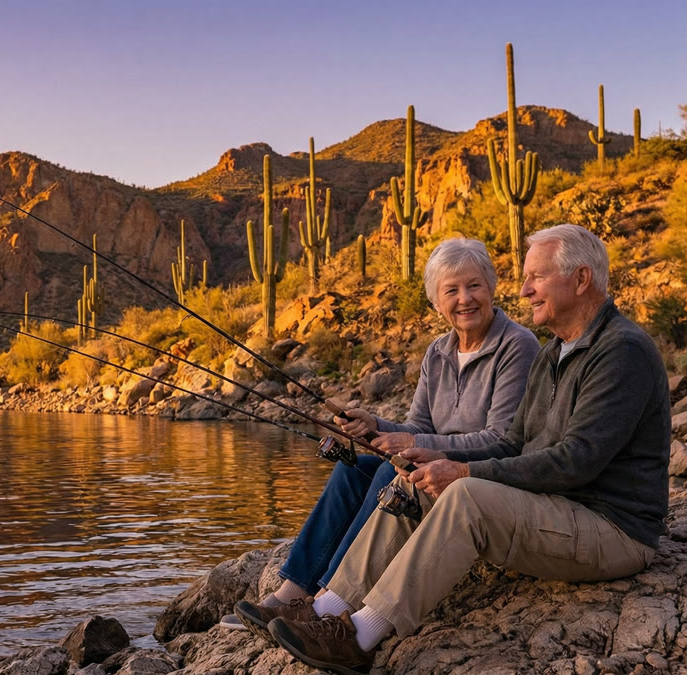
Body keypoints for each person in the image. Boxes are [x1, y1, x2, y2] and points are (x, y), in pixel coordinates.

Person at [263, 224, 670, 675]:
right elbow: (511, 441)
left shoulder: (621, 352)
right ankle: (326, 608)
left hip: (612, 529)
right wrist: (433, 461)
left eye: (536, 277)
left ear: (580, 280)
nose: (524, 290)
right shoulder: (555, 352)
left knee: (465, 496)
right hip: (559, 507)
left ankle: (357, 639)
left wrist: (465, 472)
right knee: (412, 482)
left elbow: (577, 460)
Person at [226, 237, 540, 635]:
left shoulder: (517, 346)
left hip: (475, 475)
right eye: (452, 290)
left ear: (492, 287)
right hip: (432, 465)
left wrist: (414, 445)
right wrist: (375, 426)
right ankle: (293, 591)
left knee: (384, 475)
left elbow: (502, 439)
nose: (465, 299)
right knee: (354, 469)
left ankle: (330, 599)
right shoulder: (438, 352)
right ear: (436, 301)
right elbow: (417, 428)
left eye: (474, 285)